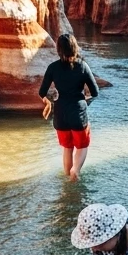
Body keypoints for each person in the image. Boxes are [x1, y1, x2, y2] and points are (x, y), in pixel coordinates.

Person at [38, 33, 100, 181]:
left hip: (60, 114)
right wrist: (85, 102)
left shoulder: (53, 67)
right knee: (82, 146)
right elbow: (95, 92)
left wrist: (48, 103)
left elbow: (42, 92)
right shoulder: (82, 66)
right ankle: (75, 171)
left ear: (59, 49)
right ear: (74, 47)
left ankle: (68, 177)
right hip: (78, 112)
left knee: (67, 147)